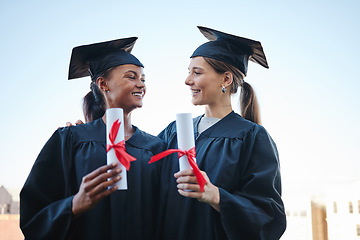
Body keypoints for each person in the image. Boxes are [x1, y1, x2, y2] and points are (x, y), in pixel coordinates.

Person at [20, 37, 165, 239]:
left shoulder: (156, 147)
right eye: (131, 77)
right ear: (103, 84)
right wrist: (74, 205)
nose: (141, 84)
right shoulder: (71, 139)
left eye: (143, 79)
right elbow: (33, 212)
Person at [155, 26, 286, 240]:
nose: (188, 80)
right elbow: (140, 167)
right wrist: (91, 133)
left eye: (197, 72)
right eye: (189, 72)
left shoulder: (251, 137)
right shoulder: (174, 131)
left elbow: (269, 216)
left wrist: (216, 196)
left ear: (226, 79)